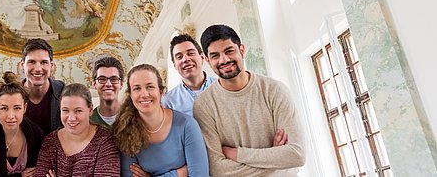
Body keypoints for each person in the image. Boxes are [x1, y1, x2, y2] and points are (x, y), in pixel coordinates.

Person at [193, 24, 305, 176]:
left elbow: (296, 154)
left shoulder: (275, 90)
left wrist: (236, 154)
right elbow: (218, 169)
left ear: (242, 50)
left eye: (229, 51)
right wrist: (274, 157)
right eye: (215, 56)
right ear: (207, 60)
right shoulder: (203, 105)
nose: (224, 60)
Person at [113, 64, 209, 177]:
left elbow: (200, 174)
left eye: (150, 87)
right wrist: (179, 173)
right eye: (137, 88)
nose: (144, 94)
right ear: (130, 95)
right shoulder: (125, 130)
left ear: (161, 91)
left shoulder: (187, 125)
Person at [35, 83, 120, 176]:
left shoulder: (105, 141)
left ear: (90, 109)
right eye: (65, 110)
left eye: (78, 111)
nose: (71, 118)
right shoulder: (50, 141)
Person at [162, 34, 216, 116]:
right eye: (179, 57)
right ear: (175, 65)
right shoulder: (169, 102)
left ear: (202, 57)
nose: (186, 59)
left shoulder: (222, 86)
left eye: (190, 53)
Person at [20, 38, 64, 135]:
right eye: (32, 62)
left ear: (51, 66)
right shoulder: (9, 95)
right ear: (22, 65)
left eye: (44, 62)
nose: (38, 69)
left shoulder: (65, 93)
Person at [90, 56, 124, 128]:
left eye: (114, 79)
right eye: (102, 79)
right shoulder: (88, 122)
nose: (108, 84)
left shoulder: (135, 117)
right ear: (94, 84)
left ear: (121, 84)